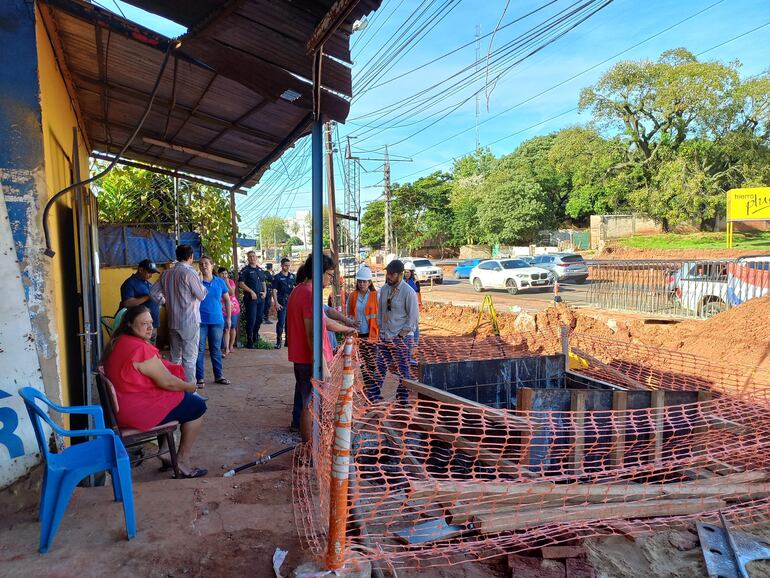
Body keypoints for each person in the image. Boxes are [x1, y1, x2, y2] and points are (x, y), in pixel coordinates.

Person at [101, 305, 208, 478]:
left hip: (124, 405)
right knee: (197, 406)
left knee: (180, 402)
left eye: (151, 322)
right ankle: (181, 459)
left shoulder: (119, 342)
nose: (150, 327)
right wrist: (190, 386)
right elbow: (168, 382)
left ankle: (166, 453)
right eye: (144, 323)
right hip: (136, 411)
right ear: (129, 324)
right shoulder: (139, 348)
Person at [286, 254, 354, 440]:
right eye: (330, 275)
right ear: (319, 272)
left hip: (305, 359)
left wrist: (346, 327)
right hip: (311, 361)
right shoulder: (308, 295)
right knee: (311, 405)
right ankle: (310, 448)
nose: (330, 279)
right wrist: (322, 364)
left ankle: (312, 445)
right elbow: (312, 333)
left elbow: (324, 323)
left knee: (310, 402)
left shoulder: (300, 291)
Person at [151, 245, 207, 383]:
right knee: (189, 358)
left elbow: (152, 292)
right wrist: (201, 282)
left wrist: (165, 302)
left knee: (175, 357)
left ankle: (175, 389)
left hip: (173, 321)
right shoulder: (190, 273)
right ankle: (190, 392)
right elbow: (201, 295)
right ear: (190, 257)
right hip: (189, 321)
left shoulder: (166, 273)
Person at [373, 259, 419, 402]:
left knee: (403, 371)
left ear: (400, 274)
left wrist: (400, 336)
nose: (389, 276)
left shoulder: (408, 292)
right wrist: (381, 332)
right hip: (385, 337)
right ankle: (373, 396)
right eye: (388, 273)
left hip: (402, 339)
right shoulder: (384, 290)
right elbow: (381, 312)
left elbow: (412, 320)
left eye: (392, 274)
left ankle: (402, 401)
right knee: (380, 367)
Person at [195, 257, 231, 386]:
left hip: (217, 320)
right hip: (200, 320)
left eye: (206, 263)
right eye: (201, 264)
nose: (203, 266)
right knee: (199, 350)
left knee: (216, 349)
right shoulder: (196, 282)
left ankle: (219, 376)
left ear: (212, 265)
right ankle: (199, 378)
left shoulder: (220, 282)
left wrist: (228, 318)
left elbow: (227, 299)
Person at [347, 266, 379, 399]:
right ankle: (369, 389)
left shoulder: (375, 295)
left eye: (364, 282)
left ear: (370, 282)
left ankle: (371, 390)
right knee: (362, 364)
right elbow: (348, 314)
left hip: (371, 335)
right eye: (360, 281)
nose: (362, 284)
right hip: (357, 336)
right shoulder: (353, 296)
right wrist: (350, 326)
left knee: (371, 363)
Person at [119, 259, 160, 343]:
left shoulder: (147, 283)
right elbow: (127, 303)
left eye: (152, 273)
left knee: (151, 349)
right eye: (149, 272)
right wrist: (147, 297)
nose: (151, 275)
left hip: (152, 324)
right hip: (141, 326)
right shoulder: (130, 283)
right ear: (141, 270)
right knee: (142, 348)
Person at [238, 251, 267, 348]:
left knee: (259, 319)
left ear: (256, 258)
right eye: (250, 257)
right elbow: (241, 283)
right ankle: (249, 340)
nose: (252, 258)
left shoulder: (259, 269)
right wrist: (251, 291)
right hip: (250, 299)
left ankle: (255, 336)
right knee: (251, 319)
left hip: (260, 298)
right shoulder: (245, 270)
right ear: (248, 259)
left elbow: (263, 281)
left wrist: (265, 292)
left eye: (253, 256)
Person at [272, 257, 295, 349]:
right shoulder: (277, 277)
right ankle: (278, 341)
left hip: (291, 302)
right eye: (286, 265)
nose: (287, 267)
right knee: (281, 322)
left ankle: (288, 341)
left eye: (289, 265)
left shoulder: (292, 276)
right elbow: (274, 290)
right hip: (281, 302)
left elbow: (296, 288)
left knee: (289, 323)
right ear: (281, 265)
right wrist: (276, 303)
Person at [218, 267, 240, 356]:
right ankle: (225, 348)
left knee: (232, 327)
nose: (225, 275)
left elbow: (231, 293)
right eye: (222, 274)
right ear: (218, 274)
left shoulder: (230, 281)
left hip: (233, 308)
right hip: (222, 308)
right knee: (226, 328)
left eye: (226, 274)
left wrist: (227, 283)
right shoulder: (217, 282)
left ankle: (230, 346)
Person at [403, 261, 422, 345]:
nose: (406, 274)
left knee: (414, 324)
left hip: (413, 305)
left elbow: (417, 293)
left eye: (408, 272)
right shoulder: (401, 281)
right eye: (405, 272)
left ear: (412, 272)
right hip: (404, 305)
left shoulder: (415, 282)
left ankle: (415, 342)